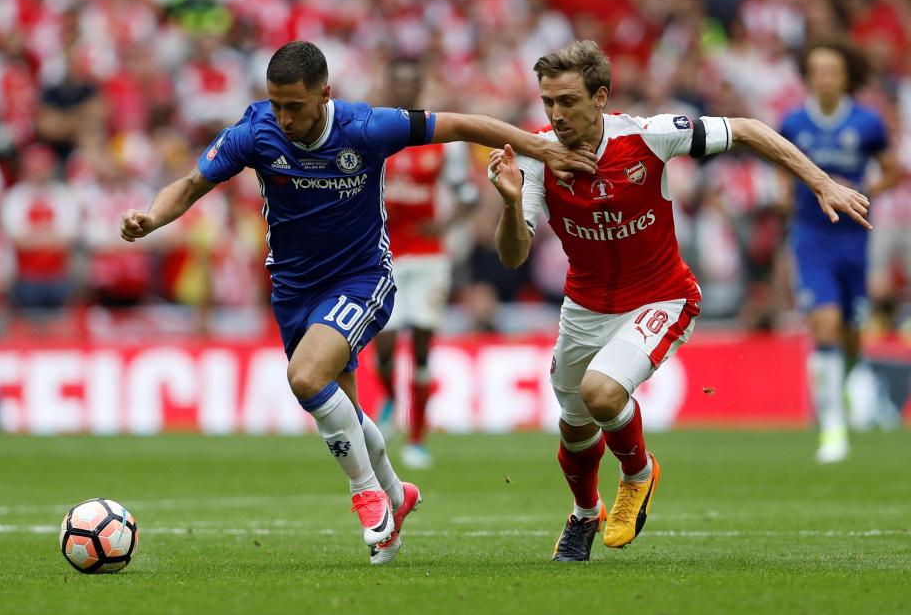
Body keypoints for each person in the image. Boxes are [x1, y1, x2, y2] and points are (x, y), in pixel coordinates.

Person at [120, 41, 596, 565]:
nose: (284, 117)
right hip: (293, 291)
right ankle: (398, 494)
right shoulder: (254, 133)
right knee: (342, 406)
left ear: (325, 94)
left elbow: (462, 124)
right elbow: (190, 185)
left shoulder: (366, 128)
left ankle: (367, 494)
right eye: (276, 103)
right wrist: (150, 217)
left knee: (305, 378)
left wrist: (539, 147)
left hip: (361, 277)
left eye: (295, 105)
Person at [486, 40, 871, 562]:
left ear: (601, 97)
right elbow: (513, 257)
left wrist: (822, 183)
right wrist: (510, 205)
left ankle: (638, 474)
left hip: (661, 298)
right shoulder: (534, 157)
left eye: (569, 101)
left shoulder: (649, 137)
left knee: (602, 395)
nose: (557, 115)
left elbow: (749, 130)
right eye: (548, 102)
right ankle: (583, 514)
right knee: (574, 427)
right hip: (583, 307)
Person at [779, 40, 899, 462]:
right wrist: (789, 202)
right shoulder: (793, 122)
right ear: (808, 76)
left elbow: (893, 171)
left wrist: (861, 193)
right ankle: (833, 428)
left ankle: (841, 388)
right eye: (817, 70)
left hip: (854, 237)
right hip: (812, 237)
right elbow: (782, 167)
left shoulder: (867, 123)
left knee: (850, 334)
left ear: (845, 75)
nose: (825, 77)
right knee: (825, 325)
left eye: (833, 70)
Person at [374, 59, 479, 469]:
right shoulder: (377, 137)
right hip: (385, 255)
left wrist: (446, 224)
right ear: (389, 88)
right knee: (383, 346)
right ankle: (389, 399)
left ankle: (417, 437)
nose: (402, 91)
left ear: (417, 90)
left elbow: (468, 195)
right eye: (395, 84)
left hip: (429, 258)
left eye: (408, 85)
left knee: (420, 348)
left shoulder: (440, 141)